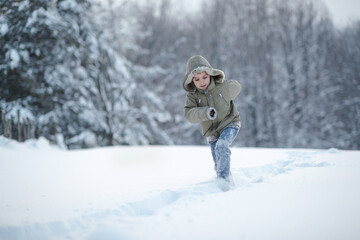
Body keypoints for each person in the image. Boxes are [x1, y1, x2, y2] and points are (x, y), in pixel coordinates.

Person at [183, 55, 242, 190]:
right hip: (211, 132)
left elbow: (237, 87)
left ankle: (224, 182)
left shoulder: (221, 87)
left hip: (230, 123)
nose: (202, 82)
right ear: (191, 81)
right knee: (218, 163)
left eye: (204, 77)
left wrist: (225, 88)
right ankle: (225, 181)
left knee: (222, 145)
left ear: (210, 74)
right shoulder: (192, 96)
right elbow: (189, 114)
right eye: (197, 79)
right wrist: (205, 112)